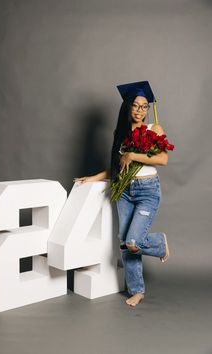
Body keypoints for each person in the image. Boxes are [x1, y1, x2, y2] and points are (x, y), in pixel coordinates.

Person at [73, 81, 170, 307]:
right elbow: (116, 168)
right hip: (125, 191)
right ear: (127, 107)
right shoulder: (122, 133)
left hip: (147, 190)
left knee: (134, 240)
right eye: (135, 106)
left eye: (144, 106)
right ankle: (137, 290)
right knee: (125, 244)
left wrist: (133, 156)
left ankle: (160, 243)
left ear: (148, 109)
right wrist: (93, 178)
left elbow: (163, 159)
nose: (139, 110)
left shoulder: (154, 129)